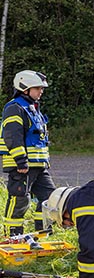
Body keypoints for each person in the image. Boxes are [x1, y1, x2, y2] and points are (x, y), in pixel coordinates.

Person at [1, 70, 54, 236]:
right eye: (37, 88)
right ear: (25, 89)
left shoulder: (31, 108)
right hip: (22, 166)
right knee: (20, 200)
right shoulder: (15, 108)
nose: (41, 91)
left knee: (49, 198)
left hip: (38, 166)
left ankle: (43, 233)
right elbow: (12, 136)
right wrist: (21, 160)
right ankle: (13, 236)